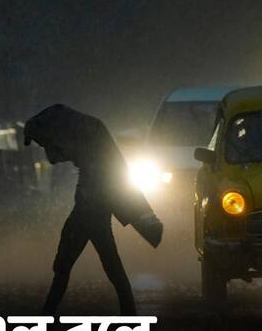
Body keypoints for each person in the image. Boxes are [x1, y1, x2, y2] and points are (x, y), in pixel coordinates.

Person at [24, 104, 162, 316]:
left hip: (91, 207)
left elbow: (59, 158)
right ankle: (127, 312)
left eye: (43, 143)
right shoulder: (88, 129)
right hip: (93, 205)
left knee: (69, 264)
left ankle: (48, 313)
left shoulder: (82, 134)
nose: (45, 150)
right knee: (99, 262)